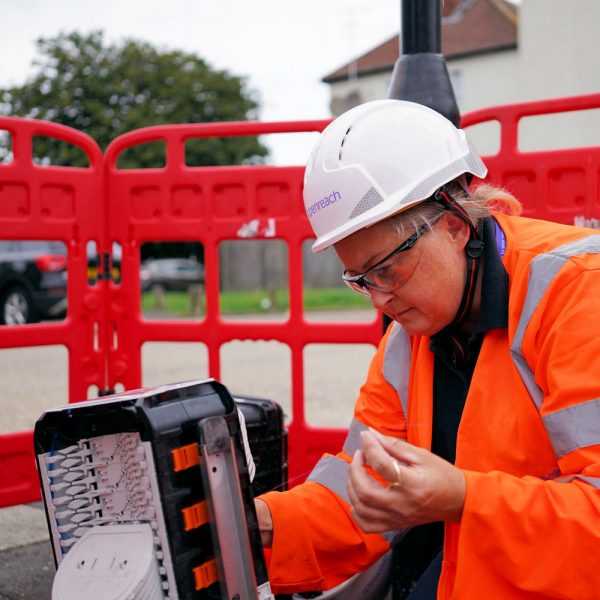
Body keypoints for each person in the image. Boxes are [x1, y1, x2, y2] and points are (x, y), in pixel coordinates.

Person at [255, 99, 600, 599]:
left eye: (388, 269)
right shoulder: (407, 336)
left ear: (455, 225)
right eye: (360, 280)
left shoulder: (578, 294)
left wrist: (463, 498)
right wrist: (257, 522)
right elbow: (365, 495)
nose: (378, 298)